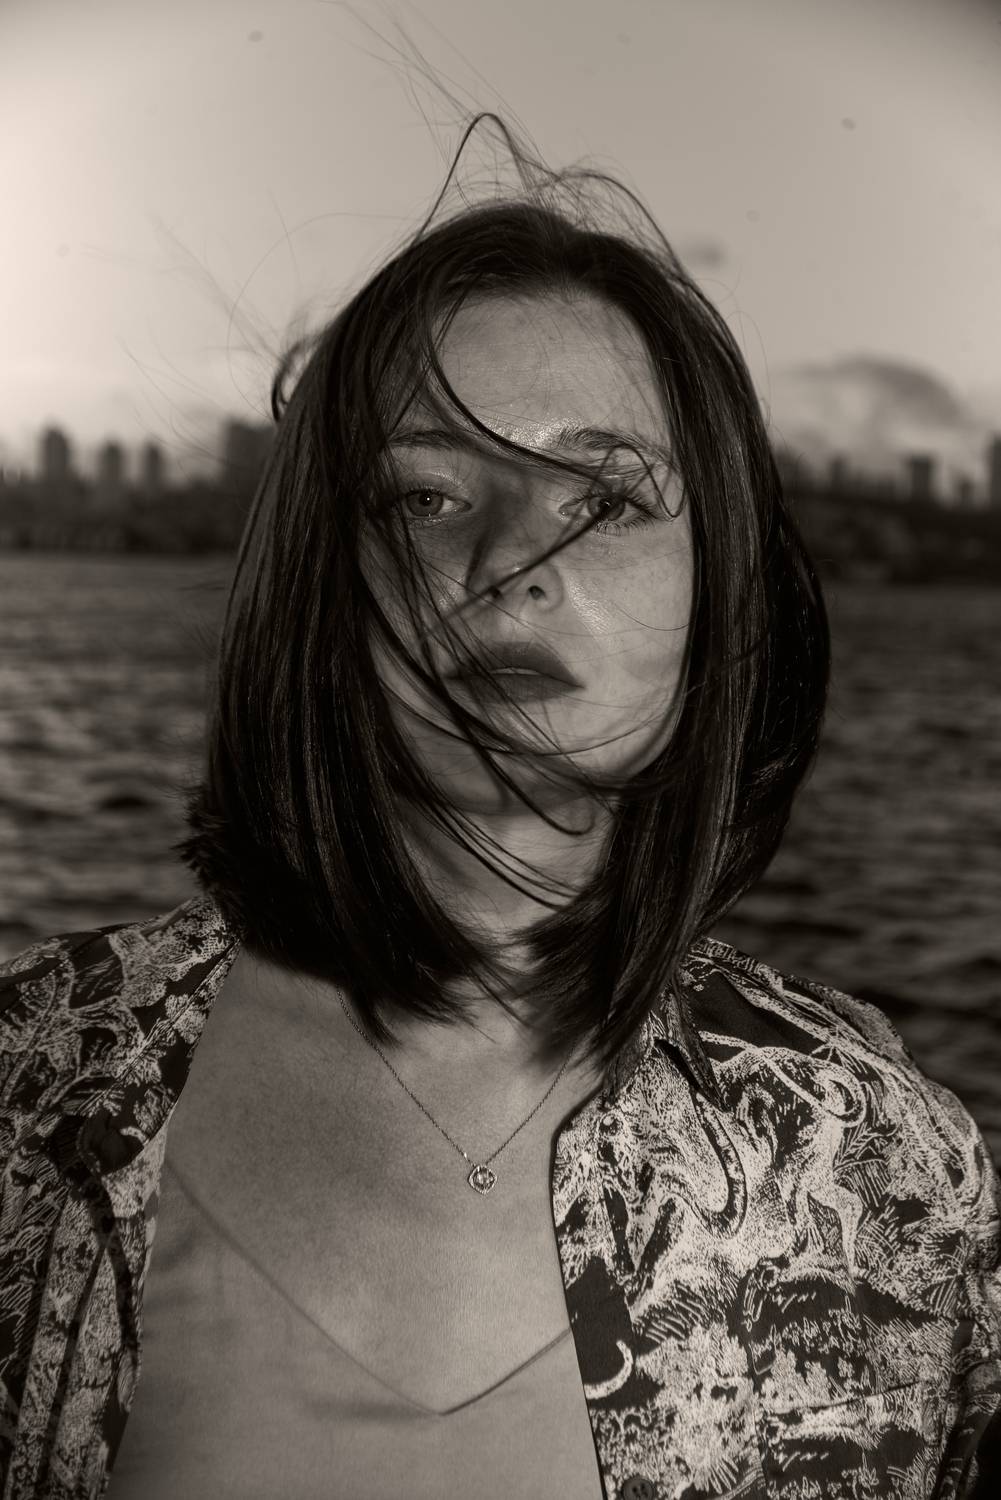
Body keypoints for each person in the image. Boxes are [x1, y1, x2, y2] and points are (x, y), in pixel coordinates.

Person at [1, 114, 999, 1500]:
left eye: (607, 496)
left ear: (719, 601)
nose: (514, 557)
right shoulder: (33, 1086)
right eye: (424, 496)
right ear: (316, 587)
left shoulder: (878, 1157)